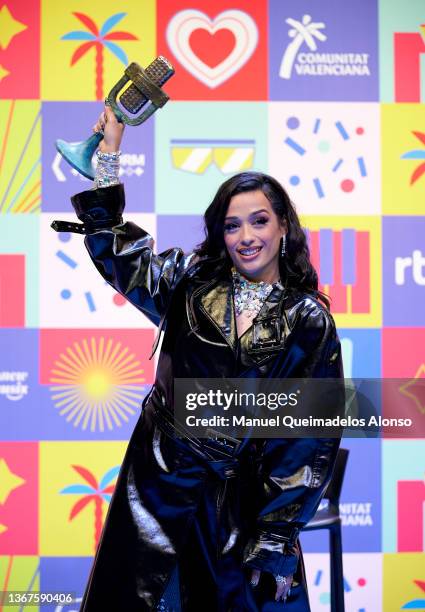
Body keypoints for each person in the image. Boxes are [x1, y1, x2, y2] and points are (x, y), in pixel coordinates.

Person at [52, 106, 344, 611]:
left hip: (239, 504)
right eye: (232, 226)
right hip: (158, 482)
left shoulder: (308, 318)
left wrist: (275, 537)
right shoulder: (188, 282)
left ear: (282, 228)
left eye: (259, 221)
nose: (246, 237)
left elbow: (307, 438)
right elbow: (121, 254)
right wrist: (108, 157)